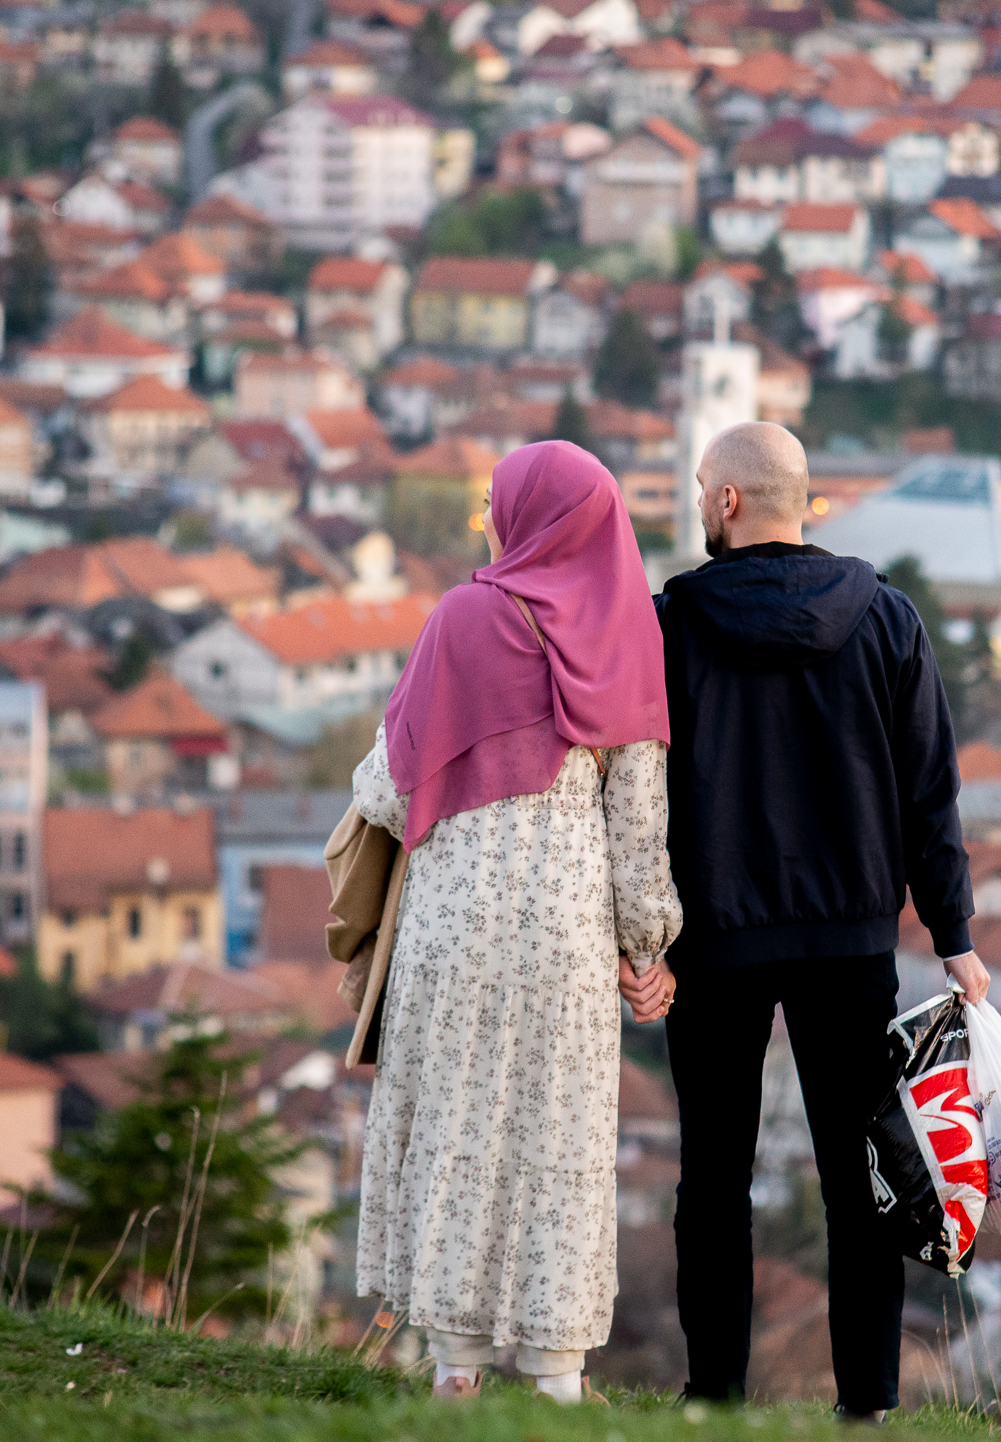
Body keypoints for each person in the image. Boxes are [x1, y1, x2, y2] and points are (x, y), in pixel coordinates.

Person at [625, 421, 987, 1420]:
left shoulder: (671, 622)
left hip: (717, 939)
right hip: (851, 942)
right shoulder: (889, 618)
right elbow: (930, 793)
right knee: (859, 1171)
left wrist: (640, 935)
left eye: (705, 488)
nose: (701, 502)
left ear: (731, 502)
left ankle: (713, 1398)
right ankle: (867, 1403)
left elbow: (637, 791)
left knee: (714, 1177)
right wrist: (954, 933)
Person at [353, 440, 683, 1403]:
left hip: (453, 929)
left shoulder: (460, 619)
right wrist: (649, 950)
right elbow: (638, 825)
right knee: (559, 1140)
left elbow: (384, 788)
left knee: (457, 1126)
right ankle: (556, 1378)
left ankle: (455, 1368)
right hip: (566, 933)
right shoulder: (629, 638)